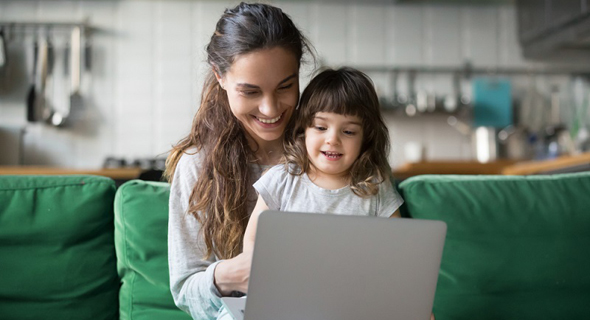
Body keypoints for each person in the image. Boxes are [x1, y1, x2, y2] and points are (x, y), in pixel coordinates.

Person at [164, 2, 313, 320]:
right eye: (250, 91)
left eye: (285, 86)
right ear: (220, 76)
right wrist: (230, 275)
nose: (271, 109)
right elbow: (185, 292)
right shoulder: (198, 165)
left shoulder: (328, 151)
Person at [243, 67, 404, 252]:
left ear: (365, 138)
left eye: (349, 131)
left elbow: (395, 247)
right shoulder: (281, 180)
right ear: (304, 129)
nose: (333, 139)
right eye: (320, 127)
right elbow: (252, 242)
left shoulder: (375, 188)